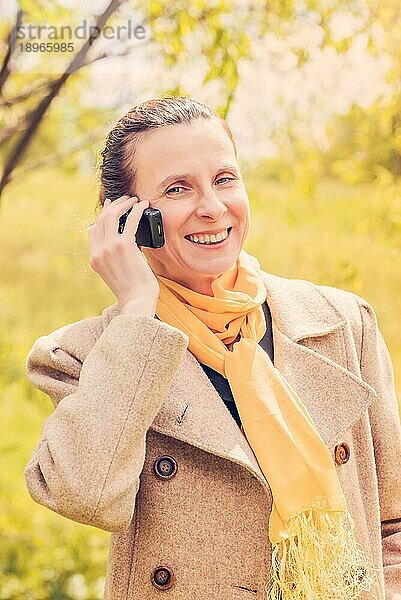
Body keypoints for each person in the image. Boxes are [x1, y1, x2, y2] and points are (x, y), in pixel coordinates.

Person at [24, 96, 401, 600]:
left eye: (225, 179)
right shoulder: (86, 354)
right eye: (177, 188)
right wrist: (138, 306)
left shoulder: (341, 323)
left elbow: (394, 522)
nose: (212, 207)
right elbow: (86, 494)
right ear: (126, 217)